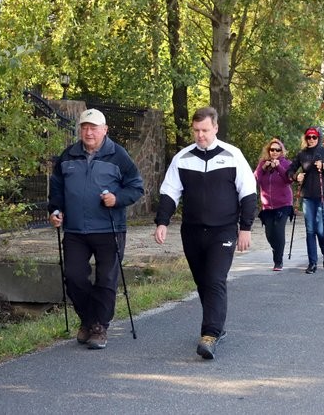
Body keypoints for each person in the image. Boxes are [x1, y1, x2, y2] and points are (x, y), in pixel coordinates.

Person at [153, 106, 256, 360]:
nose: (200, 135)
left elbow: (249, 193)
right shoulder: (182, 158)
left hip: (223, 230)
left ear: (216, 128)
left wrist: (245, 228)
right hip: (193, 231)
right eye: (196, 130)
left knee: (215, 279)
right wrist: (162, 222)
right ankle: (217, 326)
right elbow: (169, 192)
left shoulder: (233, 156)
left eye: (205, 130)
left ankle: (209, 334)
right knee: (202, 281)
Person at [48, 108, 144, 350]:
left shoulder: (118, 155)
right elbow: (57, 188)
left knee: (106, 280)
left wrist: (117, 198)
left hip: (109, 228)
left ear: (105, 130)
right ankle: (89, 321)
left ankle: (99, 327)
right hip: (75, 230)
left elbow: (136, 187)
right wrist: (55, 210)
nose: (88, 132)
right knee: (73, 277)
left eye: (93, 128)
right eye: (84, 127)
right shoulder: (68, 155)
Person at [287, 127, 324, 274]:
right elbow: (290, 170)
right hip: (307, 196)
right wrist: (295, 177)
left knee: (320, 229)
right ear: (305, 138)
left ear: (318, 138)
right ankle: (312, 263)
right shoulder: (302, 154)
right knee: (310, 230)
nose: (311, 139)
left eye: (314, 137)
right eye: (309, 137)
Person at [254, 138, 293, 271]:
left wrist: (278, 167)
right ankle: (275, 250)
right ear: (268, 151)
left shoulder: (286, 163)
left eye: (278, 150)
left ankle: (278, 261)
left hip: (283, 203)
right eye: (272, 150)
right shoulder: (263, 164)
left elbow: (289, 179)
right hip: (267, 205)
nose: (275, 152)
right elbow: (255, 179)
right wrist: (263, 169)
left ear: (282, 151)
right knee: (269, 234)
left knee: (278, 230)